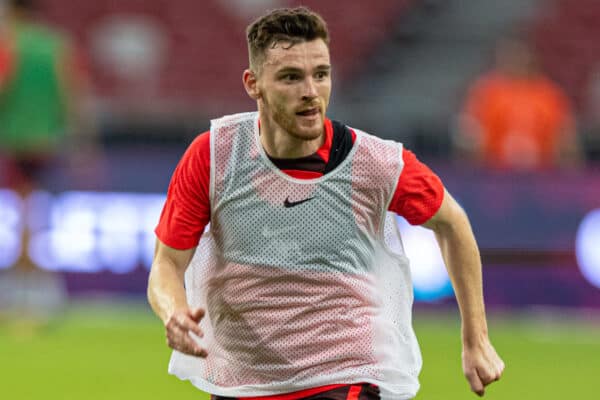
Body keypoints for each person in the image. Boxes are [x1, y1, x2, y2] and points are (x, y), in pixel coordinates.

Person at [148, 7, 504, 400]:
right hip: (242, 381)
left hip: (344, 374)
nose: (310, 91)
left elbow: (451, 222)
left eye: (321, 74)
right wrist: (174, 312)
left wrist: (476, 338)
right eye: (290, 77)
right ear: (253, 84)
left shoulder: (373, 162)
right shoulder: (215, 156)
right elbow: (167, 262)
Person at [0, 0, 94, 331]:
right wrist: (83, 141)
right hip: (50, 140)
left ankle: (23, 295)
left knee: (25, 214)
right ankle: (40, 292)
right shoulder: (57, 45)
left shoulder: (10, 43)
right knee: (34, 213)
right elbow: (73, 94)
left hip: (17, 138)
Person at [455, 34, 582, 171]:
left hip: (542, 174)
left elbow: (564, 139)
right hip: (494, 174)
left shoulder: (548, 95)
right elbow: (469, 136)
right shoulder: (485, 92)